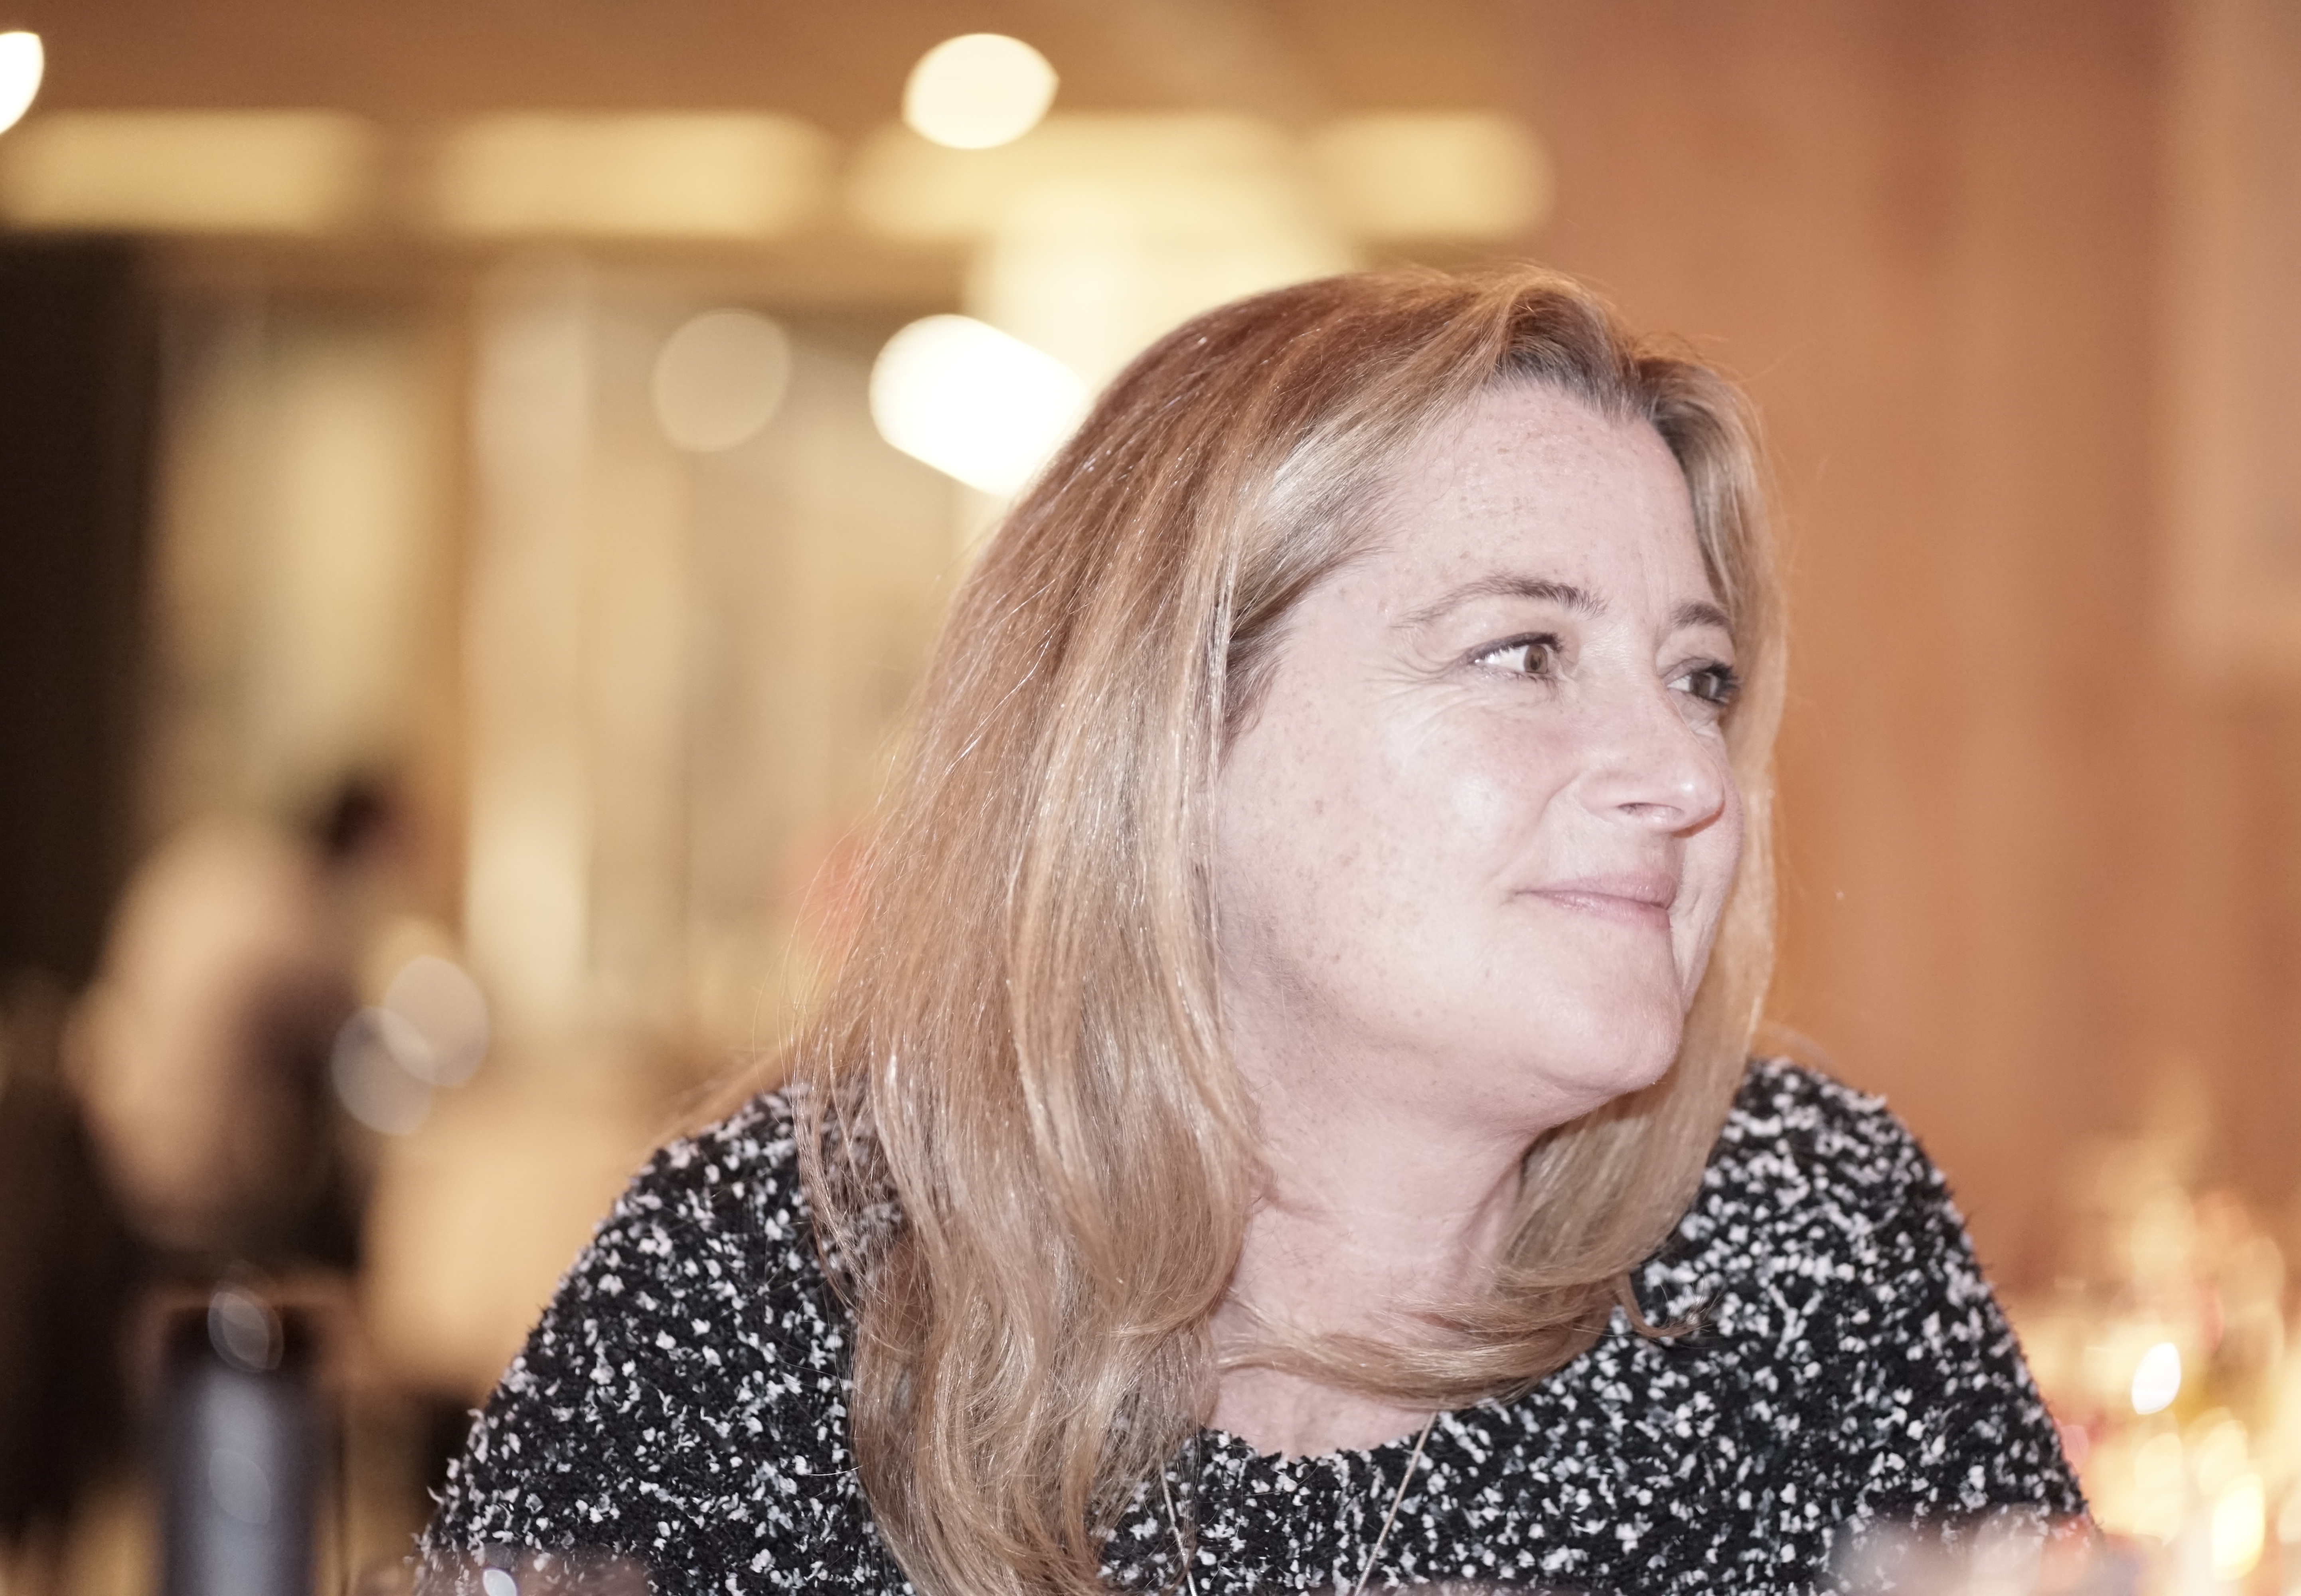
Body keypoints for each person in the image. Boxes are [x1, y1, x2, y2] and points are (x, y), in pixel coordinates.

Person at [427, 269, 2084, 1594]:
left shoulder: (1805, 1243)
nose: (1688, 775)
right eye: (1526, 652)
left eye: (1699, 677)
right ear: (1172, 732)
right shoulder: (775, 1280)